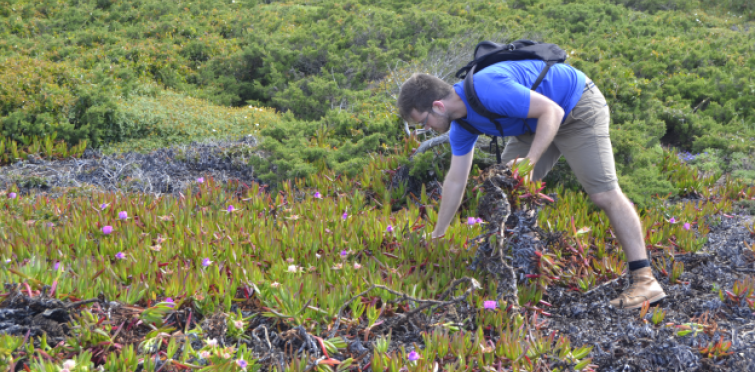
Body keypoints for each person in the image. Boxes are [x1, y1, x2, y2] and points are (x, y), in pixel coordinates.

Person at [396, 61, 666, 309]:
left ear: (439, 106)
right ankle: (531, 274)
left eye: (424, 122)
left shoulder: (488, 88)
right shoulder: (462, 126)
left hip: (575, 106)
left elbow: (553, 110)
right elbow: (456, 179)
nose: (427, 130)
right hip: (535, 120)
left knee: (603, 194)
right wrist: (438, 233)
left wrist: (529, 162)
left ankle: (645, 280)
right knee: (505, 190)